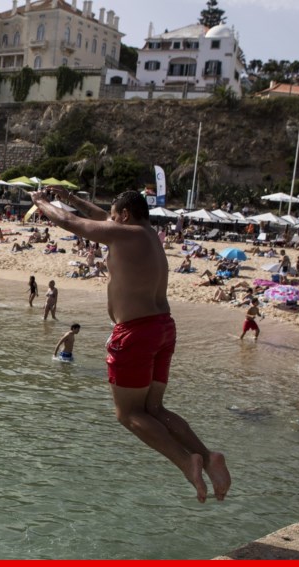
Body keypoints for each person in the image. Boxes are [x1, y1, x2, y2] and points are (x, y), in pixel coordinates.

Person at [31, 188, 229, 502]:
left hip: (136, 332)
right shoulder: (148, 234)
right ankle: (207, 456)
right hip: (163, 327)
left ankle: (184, 460)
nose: (110, 219)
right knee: (154, 409)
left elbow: (72, 223)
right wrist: (72, 197)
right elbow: (99, 217)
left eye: (114, 215)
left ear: (123, 215)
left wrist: (41, 202)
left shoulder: (124, 235)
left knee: (128, 414)